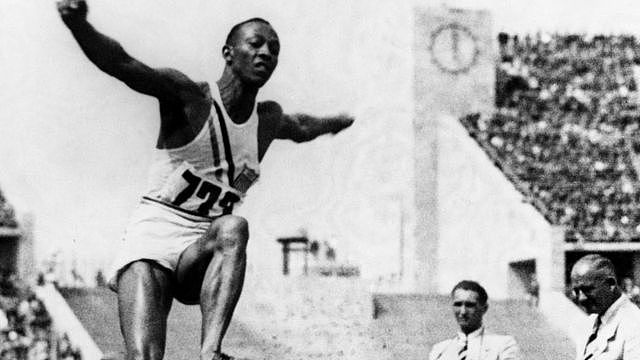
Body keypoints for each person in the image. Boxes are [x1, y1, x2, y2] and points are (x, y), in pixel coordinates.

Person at [56, 1, 354, 359]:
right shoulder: (191, 97)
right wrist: (78, 26)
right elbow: (123, 65)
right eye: (256, 43)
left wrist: (336, 123)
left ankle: (210, 350)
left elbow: (304, 126)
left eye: (274, 49)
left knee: (234, 226)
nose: (266, 53)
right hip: (154, 236)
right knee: (144, 357)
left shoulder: (267, 120)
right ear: (228, 53)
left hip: (202, 249)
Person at [570, 254, 640, 360]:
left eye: (587, 289)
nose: (581, 298)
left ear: (610, 284)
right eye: (576, 291)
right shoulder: (591, 322)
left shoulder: (634, 324)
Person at [428, 280, 521, 360]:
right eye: (458, 304)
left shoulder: (503, 345)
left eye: (470, 305)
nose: (463, 311)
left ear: (484, 308)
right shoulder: (439, 351)